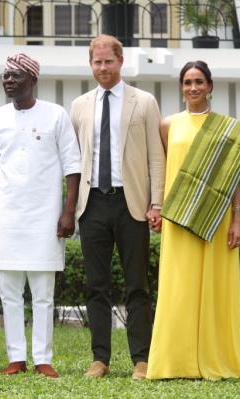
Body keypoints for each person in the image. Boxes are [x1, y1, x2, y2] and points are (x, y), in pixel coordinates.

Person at [147, 61, 240, 380]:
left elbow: (234, 179)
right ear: (181, 87)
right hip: (179, 218)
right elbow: (165, 170)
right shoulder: (167, 125)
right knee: (179, 287)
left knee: (216, 287)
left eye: (199, 81)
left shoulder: (227, 129)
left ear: (210, 86)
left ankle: (219, 357)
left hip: (216, 218)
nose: (193, 88)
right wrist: (157, 207)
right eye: (187, 82)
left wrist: (237, 219)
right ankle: (176, 362)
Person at [69, 35, 165, 380]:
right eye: (97, 62)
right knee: (96, 285)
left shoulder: (144, 101)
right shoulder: (79, 105)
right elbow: (73, 161)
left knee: (136, 284)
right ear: (90, 64)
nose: (103, 68)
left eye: (109, 61)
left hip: (132, 204)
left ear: (120, 62)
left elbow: (156, 155)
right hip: (92, 202)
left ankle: (142, 358)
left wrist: (157, 202)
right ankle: (100, 359)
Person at [0, 53, 81, 379]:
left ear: (33, 80)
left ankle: (42, 359)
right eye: (6, 76)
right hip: (7, 214)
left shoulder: (56, 115)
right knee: (9, 293)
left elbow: (72, 166)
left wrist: (68, 212)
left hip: (45, 216)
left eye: (16, 76)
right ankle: (16, 358)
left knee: (43, 294)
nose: (9, 81)